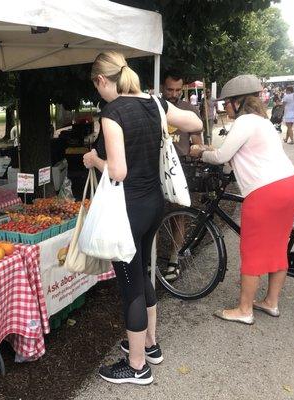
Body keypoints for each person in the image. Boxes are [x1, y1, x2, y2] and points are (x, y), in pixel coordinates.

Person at [82, 51, 202, 385]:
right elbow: (196, 124)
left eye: (98, 87)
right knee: (145, 274)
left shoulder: (112, 112)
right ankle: (150, 344)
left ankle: (137, 367)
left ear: (102, 80)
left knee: (131, 286)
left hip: (127, 210)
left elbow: (118, 170)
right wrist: (166, 120)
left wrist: (94, 160)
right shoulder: (155, 103)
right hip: (154, 205)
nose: (100, 93)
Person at [190, 75, 294, 324]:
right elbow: (238, 158)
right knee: (279, 245)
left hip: (266, 192)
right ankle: (271, 302)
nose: (224, 108)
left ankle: (244, 310)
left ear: (238, 102)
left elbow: (221, 156)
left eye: (226, 103)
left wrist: (200, 152)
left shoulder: (245, 121)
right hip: (290, 185)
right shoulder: (262, 123)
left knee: (252, 250)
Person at [162, 71, 204, 279]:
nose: (174, 94)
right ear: (162, 87)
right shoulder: (156, 106)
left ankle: (174, 258)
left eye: (178, 90)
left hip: (182, 167)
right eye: (170, 89)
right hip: (158, 167)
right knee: (156, 214)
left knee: (178, 215)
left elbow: (197, 139)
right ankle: (151, 258)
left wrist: (199, 148)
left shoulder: (189, 108)